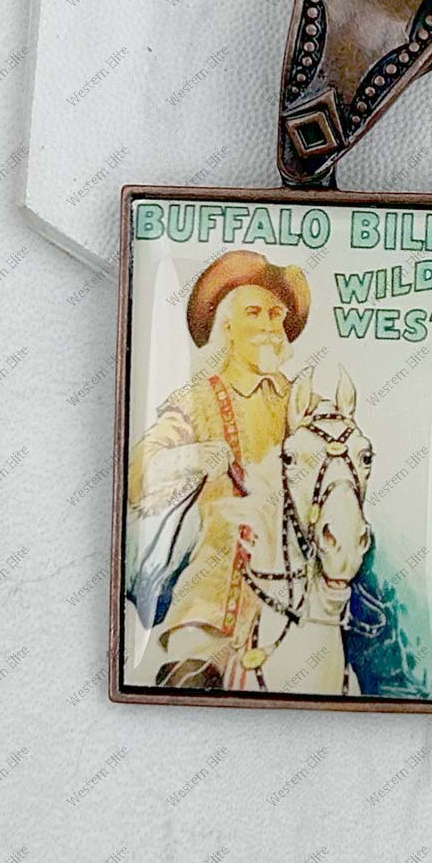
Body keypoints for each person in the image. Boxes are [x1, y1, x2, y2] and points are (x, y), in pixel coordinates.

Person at [127, 250, 309, 688]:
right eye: (254, 313)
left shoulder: (300, 400)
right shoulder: (199, 400)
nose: (269, 326)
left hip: (292, 602)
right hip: (210, 604)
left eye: (276, 315)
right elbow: (137, 478)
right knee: (188, 680)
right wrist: (193, 456)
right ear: (227, 326)